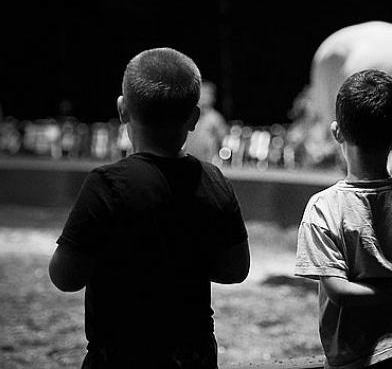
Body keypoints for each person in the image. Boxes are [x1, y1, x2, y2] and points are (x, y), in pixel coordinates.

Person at [49, 48, 250, 369]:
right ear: (195, 118)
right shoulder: (213, 180)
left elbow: (65, 277)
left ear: (122, 110)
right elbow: (236, 270)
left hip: (121, 356)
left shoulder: (107, 184)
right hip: (193, 355)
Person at [294, 69, 392, 369]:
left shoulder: (323, 207)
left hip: (354, 358)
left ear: (337, 131)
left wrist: (387, 291)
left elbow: (338, 291)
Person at [184, 80, 228, 163]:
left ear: (213, 98)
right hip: (188, 160)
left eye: (208, 94)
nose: (204, 97)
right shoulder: (188, 115)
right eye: (202, 93)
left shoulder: (215, 118)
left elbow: (224, 140)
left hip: (208, 161)